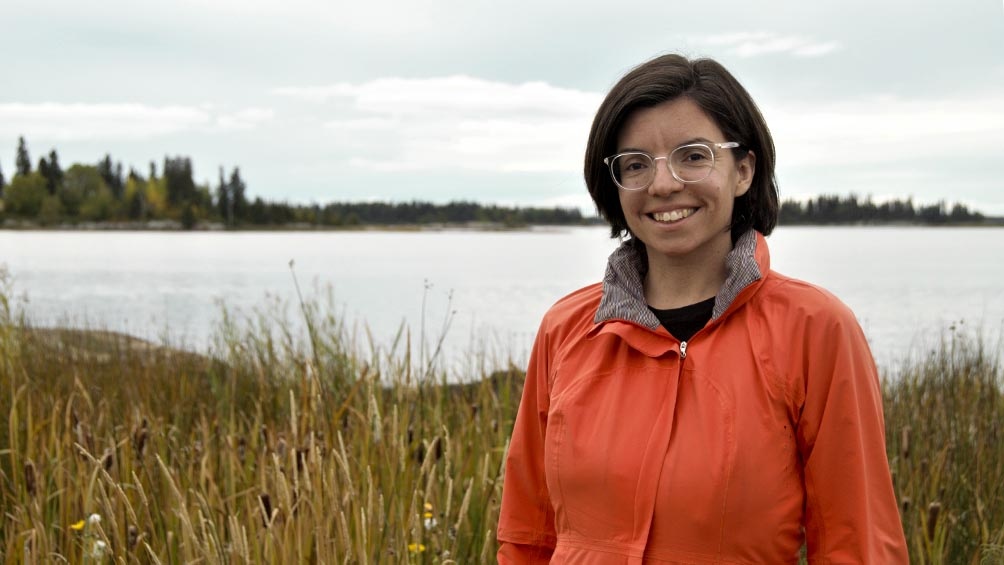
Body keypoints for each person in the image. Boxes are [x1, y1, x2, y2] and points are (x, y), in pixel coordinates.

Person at [496, 54, 908, 564]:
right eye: (636, 164)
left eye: (693, 156)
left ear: (743, 170)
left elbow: (859, 545)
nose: (663, 184)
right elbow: (527, 537)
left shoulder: (816, 329)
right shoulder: (566, 329)